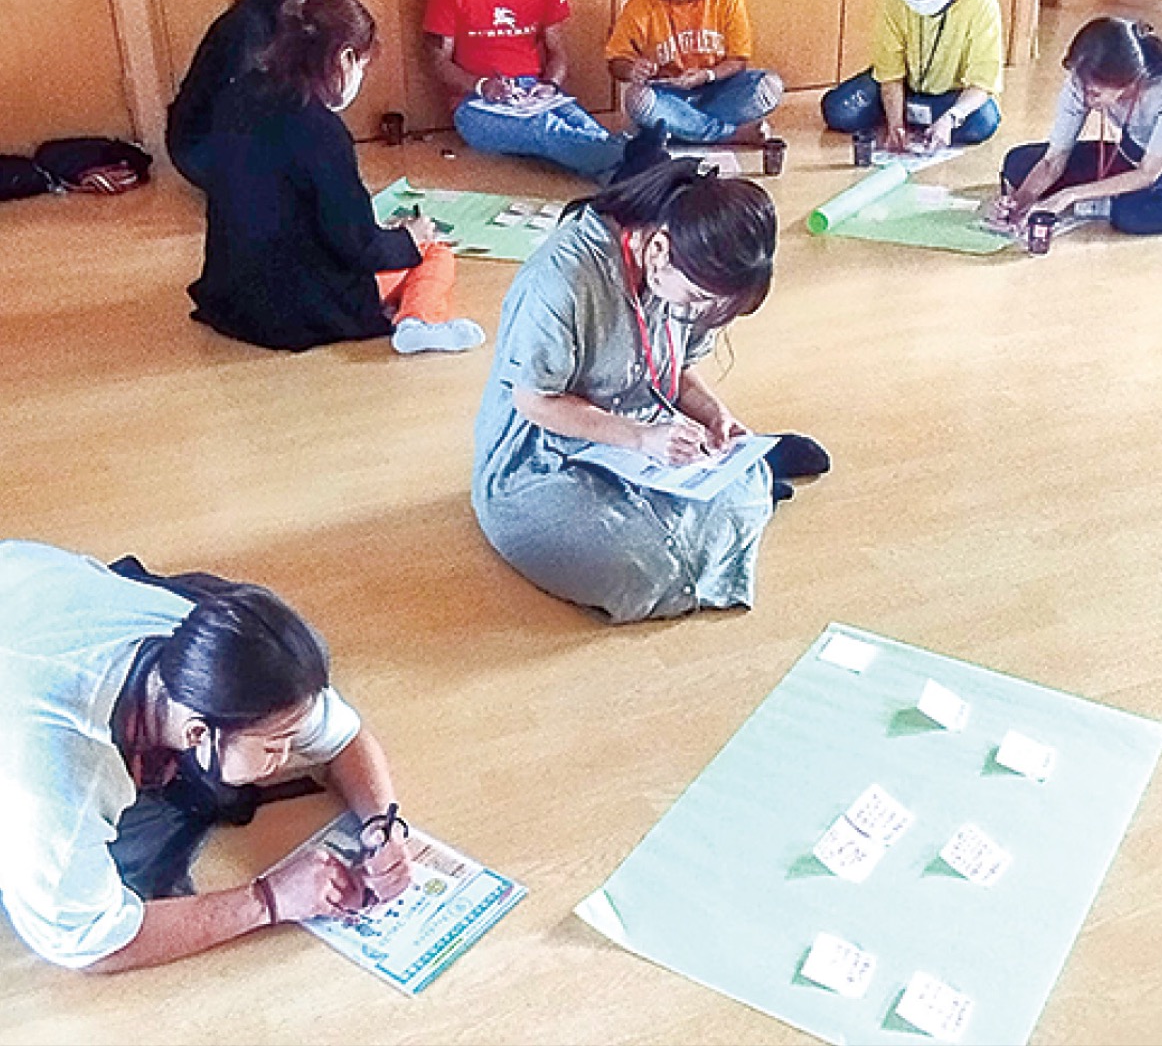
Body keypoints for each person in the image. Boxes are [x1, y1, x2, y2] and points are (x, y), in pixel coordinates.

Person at [0, 540, 412, 972]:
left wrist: (382, 824)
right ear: (198, 733)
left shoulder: (208, 644)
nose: (291, 752)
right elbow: (91, 943)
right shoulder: (60, 775)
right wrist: (269, 900)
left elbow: (346, 737)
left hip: (25, 585)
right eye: (274, 745)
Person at [471, 160, 829, 624]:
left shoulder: (683, 263)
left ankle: (738, 489)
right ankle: (707, 525)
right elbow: (535, 401)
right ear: (658, 248)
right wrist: (641, 438)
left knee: (741, 488)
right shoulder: (563, 277)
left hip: (644, 432)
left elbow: (675, 371)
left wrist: (714, 413)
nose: (700, 312)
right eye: (698, 300)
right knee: (634, 563)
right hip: (543, 451)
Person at [188, 0, 485, 354]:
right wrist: (409, 237)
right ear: (345, 58)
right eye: (361, 65)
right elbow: (357, 245)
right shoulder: (320, 130)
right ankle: (417, 321)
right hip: (301, 310)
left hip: (232, 297)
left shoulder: (238, 96)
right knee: (435, 254)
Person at [424, 0, 661, 182]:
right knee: (543, 129)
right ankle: (638, 157)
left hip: (533, 90)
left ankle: (628, 177)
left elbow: (557, 51)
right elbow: (438, 61)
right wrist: (482, 85)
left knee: (583, 124)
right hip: (475, 104)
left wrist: (551, 84)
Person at [167, 0, 349, 189]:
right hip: (201, 143)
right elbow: (244, 116)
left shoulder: (302, 23)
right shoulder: (247, 27)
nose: (322, 7)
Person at [993, 18, 1162, 236]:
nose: (1086, 99)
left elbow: (1148, 173)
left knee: (1133, 213)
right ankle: (1111, 199)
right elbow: (1053, 160)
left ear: (1128, 81)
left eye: (1095, 94)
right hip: (1134, 152)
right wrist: (1021, 202)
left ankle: (1115, 202)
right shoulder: (1084, 80)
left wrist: (1067, 196)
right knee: (1018, 163)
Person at [821, 0, 1002, 151]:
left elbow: (983, 83)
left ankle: (927, 120)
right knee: (838, 111)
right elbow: (890, 73)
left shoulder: (980, 1)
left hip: (949, 97)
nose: (922, 1)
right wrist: (895, 124)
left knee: (982, 121)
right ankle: (912, 117)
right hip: (902, 89)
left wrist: (950, 118)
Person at [606, 0, 783, 146]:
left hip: (718, 89)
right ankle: (728, 134)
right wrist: (632, 70)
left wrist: (706, 75)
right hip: (669, 94)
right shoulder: (642, 4)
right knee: (637, 100)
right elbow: (615, 62)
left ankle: (682, 127)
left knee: (769, 87)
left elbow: (738, 61)